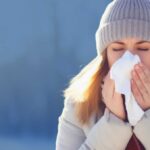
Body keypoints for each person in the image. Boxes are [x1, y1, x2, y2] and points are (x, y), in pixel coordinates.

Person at [56, 0, 150, 149]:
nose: (130, 59)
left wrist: (146, 117)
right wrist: (113, 123)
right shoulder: (81, 106)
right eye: (118, 49)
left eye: (144, 48)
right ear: (105, 55)